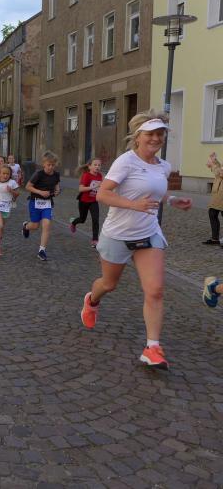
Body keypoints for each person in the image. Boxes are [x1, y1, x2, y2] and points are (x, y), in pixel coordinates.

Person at [79, 111, 192, 369]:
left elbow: (155, 191)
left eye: (160, 134)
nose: (156, 139)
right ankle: (91, 301)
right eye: (150, 134)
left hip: (148, 233)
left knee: (155, 290)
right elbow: (103, 195)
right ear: (138, 137)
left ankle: (152, 347)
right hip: (118, 234)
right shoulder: (125, 162)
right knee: (109, 284)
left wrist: (173, 200)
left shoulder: (163, 166)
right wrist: (133, 205)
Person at [21, 151, 61, 261]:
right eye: (49, 165)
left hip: (47, 203)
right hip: (35, 202)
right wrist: (40, 192)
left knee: (47, 224)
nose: (51, 167)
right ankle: (26, 226)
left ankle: (42, 250)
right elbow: (28, 187)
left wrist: (57, 191)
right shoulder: (38, 174)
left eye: (53, 165)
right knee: (35, 226)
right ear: (44, 164)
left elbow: (57, 185)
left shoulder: (56, 175)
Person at [70, 158, 104, 247]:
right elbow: (81, 189)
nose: (97, 167)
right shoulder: (86, 175)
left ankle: (95, 240)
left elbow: (100, 188)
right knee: (82, 219)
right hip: (84, 201)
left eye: (99, 165)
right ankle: (73, 223)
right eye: (95, 165)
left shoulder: (100, 176)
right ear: (89, 166)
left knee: (95, 219)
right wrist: (93, 187)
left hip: (93, 201)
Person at [203, 152, 223, 246]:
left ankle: (215, 238)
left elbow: (220, 173)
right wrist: (215, 161)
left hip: (221, 192)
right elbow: (220, 170)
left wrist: (213, 163)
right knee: (212, 213)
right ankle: (215, 238)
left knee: (213, 213)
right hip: (219, 191)